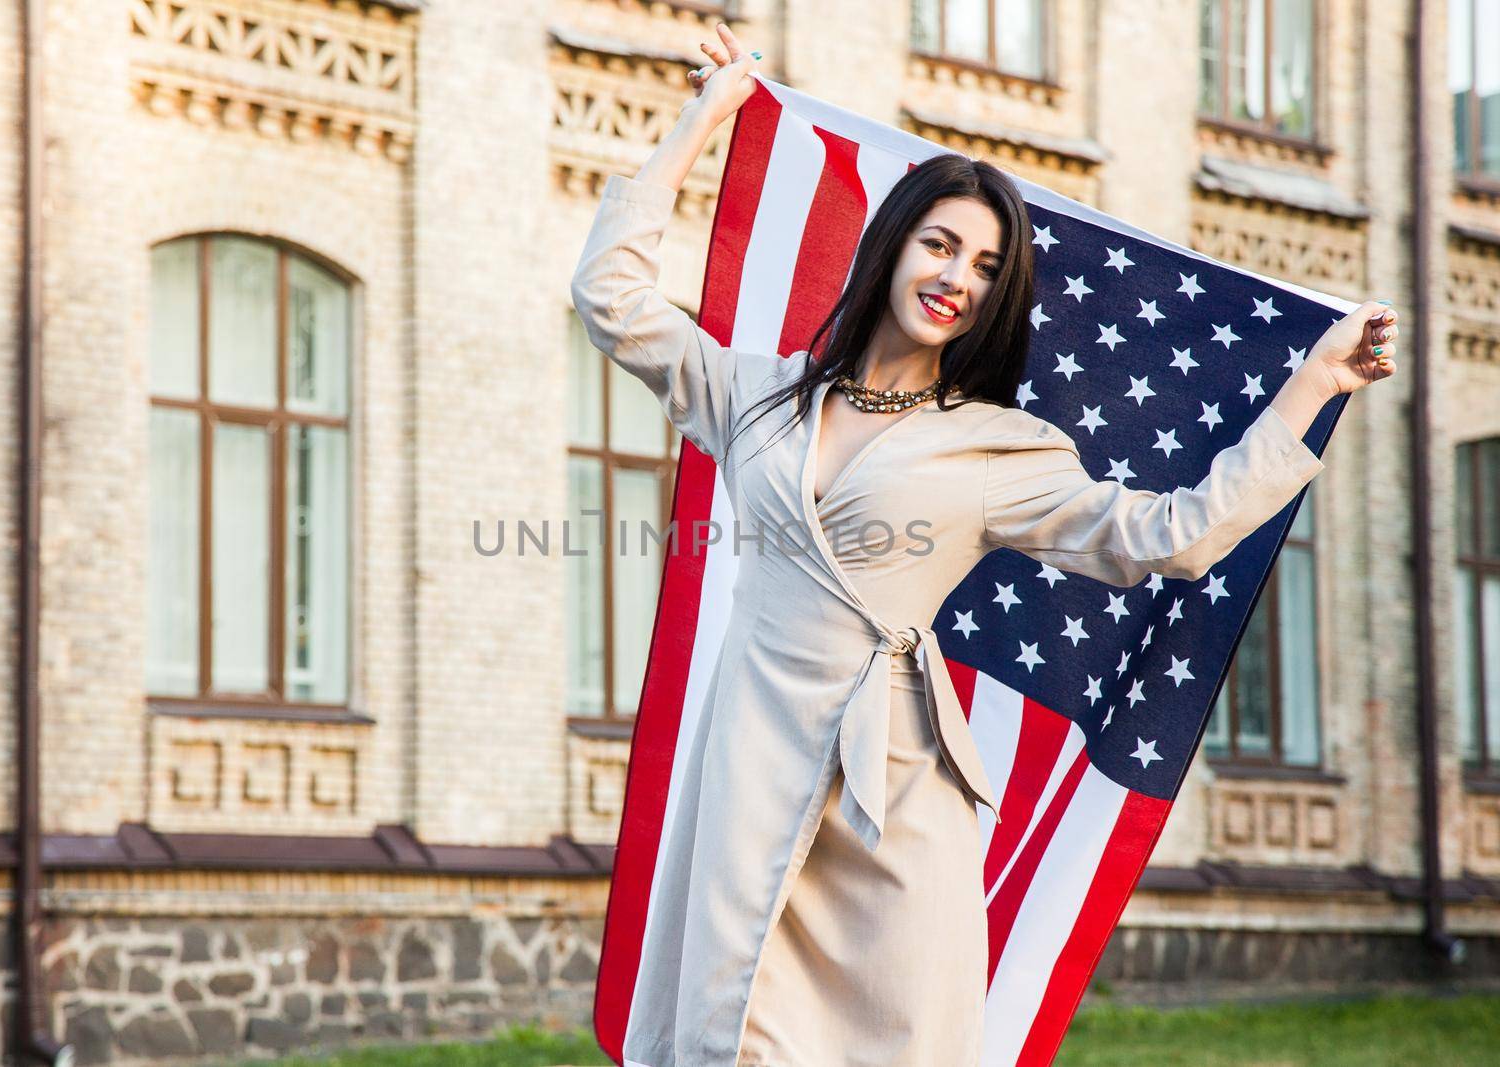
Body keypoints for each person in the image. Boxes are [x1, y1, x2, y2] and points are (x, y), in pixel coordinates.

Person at [569, 22, 1399, 1067]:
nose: (955, 275)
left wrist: (1314, 385)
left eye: (985, 265)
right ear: (891, 248)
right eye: (940, 243)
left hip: (892, 802)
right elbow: (610, 298)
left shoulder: (1000, 445)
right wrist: (706, 117)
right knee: (732, 1035)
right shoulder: (759, 396)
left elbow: (1170, 537)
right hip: (750, 772)